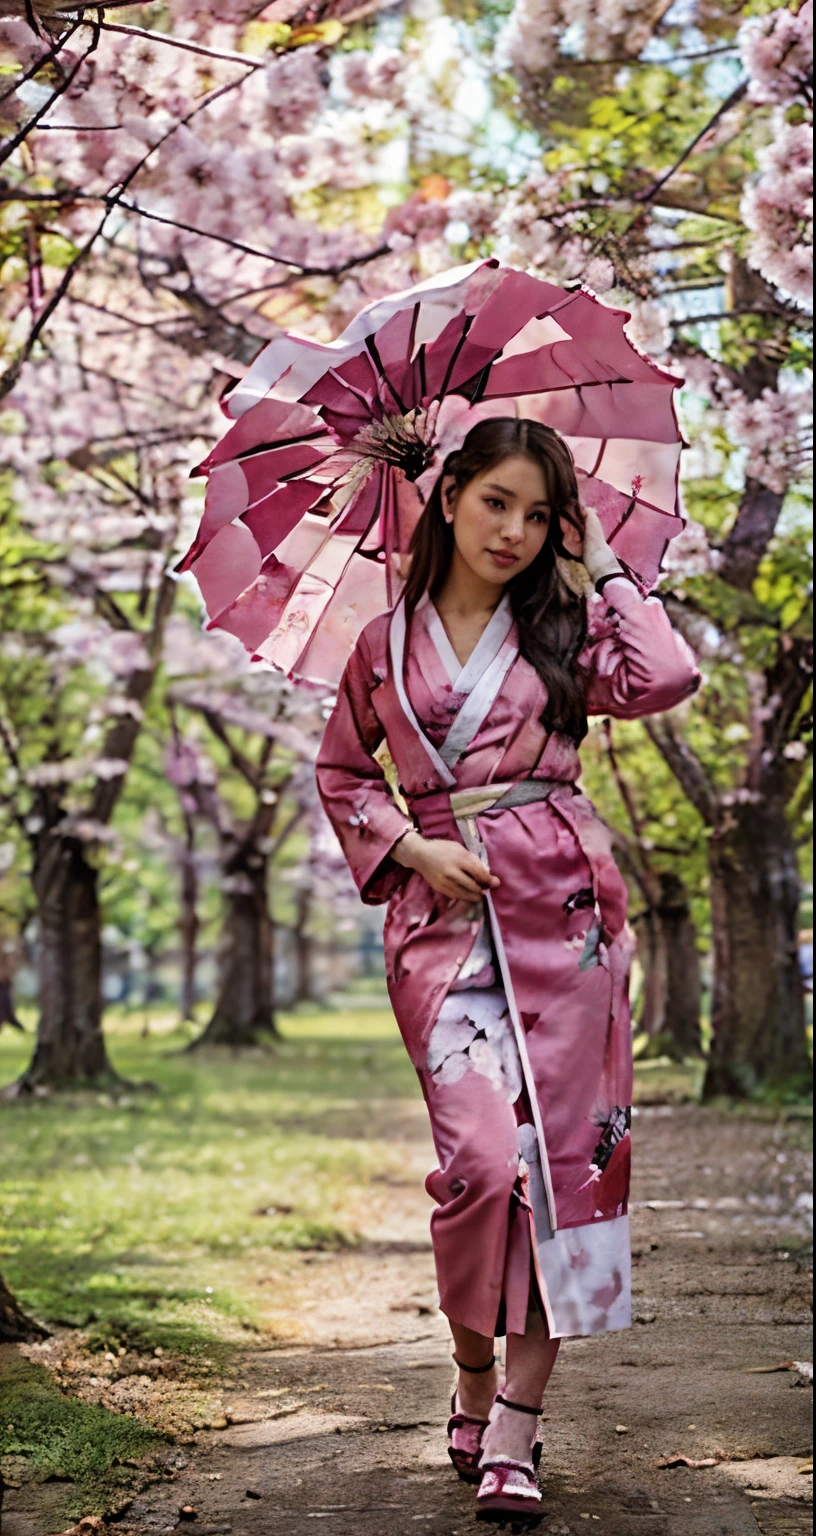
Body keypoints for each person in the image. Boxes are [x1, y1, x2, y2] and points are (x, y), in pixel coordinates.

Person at [315, 417, 701, 1522]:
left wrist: (608, 558)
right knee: (481, 1169)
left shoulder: (569, 628)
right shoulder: (381, 647)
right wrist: (408, 843)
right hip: (444, 922)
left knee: (559, 1174)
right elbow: (343, 772)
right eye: (497, 504)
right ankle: (473, 1374)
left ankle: (517, 1434)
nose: (516, 532)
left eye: (540, 514)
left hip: (565, 917)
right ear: (448, 499)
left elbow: (667, 675)